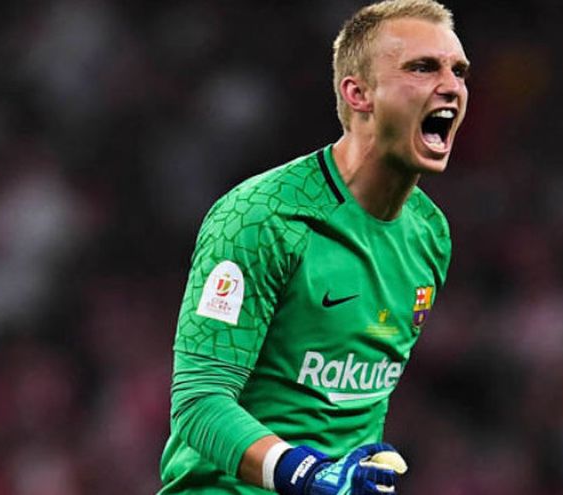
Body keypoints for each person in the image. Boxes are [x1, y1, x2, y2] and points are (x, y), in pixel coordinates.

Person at [158, 0, 470, 493]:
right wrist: (306, 474)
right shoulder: (261, 217)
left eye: (458, 71)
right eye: (422, 67)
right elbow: (199, 404)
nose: (451, 85)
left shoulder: (429, 234)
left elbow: (348, 406)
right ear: (358, 93)